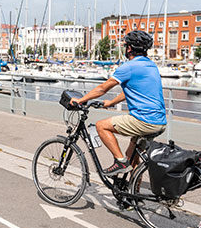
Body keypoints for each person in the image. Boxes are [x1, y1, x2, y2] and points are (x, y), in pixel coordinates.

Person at [71, 30, 166, 175]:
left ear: (129, 48)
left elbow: (102, 88)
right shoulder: (151, 65)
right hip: (159, 121)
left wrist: (80, 100)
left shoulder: (129, 67)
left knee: (101, 126)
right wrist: (111, 103)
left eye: (126, 46)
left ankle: (120, 162)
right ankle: (133, 187)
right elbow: (132, 90)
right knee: (132, 157)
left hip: (144, 120)